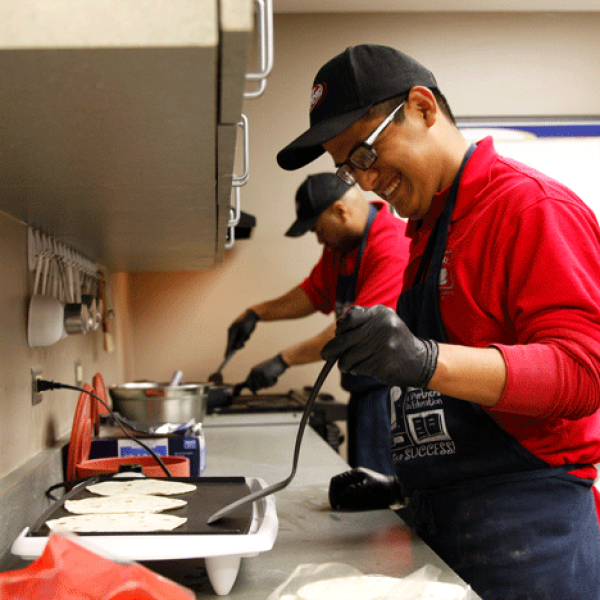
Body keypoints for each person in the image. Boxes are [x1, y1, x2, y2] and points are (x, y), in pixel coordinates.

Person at [276, 44, 600, 600]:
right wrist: (405, 485)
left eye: (365, 153)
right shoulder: (426, 232)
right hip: (442, 520)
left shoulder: (527, 208)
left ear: (423, 108)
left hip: (529, 533)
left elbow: (582, 372)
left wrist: (426, 362)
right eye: (347, 167)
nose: (366, 180)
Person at [225, 172, 409, 476]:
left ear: (340, 210)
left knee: (385, 504)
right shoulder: (340, 249)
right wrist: (255, 313)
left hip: (394, 397)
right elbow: (313, 294)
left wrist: (283, 360)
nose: (319, 238)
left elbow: (356, 332)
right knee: (367, 492)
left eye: (318, 229)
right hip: (364, 392)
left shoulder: (392, 247)